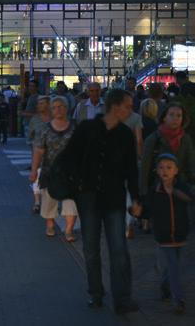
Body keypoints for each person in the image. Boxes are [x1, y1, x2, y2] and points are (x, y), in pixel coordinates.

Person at [63, 89, 141, 314]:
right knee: (91, 249)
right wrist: (78, 186)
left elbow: (130, 171)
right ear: (115, 106)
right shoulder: (88, 129)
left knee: (118, 249)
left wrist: (135, 197)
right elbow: (69, 158)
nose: (130, 110)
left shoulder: (125, 134)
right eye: (127, 105)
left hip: (114, 199)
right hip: (88, 199)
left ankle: (122, 298)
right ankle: (96, 293)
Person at [141, 153, 193, 315]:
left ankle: (165, 286)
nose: (165, 171)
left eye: (169, 168)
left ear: (176, 170)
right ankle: (179, 300)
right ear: (157, 171)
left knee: (173, 265)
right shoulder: (154, 191)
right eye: (161, 167)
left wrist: (180, 195)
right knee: (174, 266)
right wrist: (136, 211)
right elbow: (146, 210)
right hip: (163, 235)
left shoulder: (182, 187)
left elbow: (190, 199)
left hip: (180, 233)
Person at [30, 96, 78, 241]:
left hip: (71, 172)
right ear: (51, 110)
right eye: (55, 107)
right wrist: (34, 170)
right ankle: (50, 224)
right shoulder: (45, 129)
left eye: (61, 106)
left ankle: (69, 230)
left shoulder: (75, 126)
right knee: (49, 201)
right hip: (50, 171)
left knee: (71, 202)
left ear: (66, 108)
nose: (58, 109)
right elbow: (38, 150)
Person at [140, 102, 195, 210]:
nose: (175, 118)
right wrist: (143, 194)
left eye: (179, 115)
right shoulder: (153, 139)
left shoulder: (185, 139)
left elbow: (190, 164)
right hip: (158, 188)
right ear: (164, 117)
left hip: (180, 188)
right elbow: (145, 167)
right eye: (171, 115)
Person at [27, 96, 51, 214]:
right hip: (38, 153)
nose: (39, 106)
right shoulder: (35, 119)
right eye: (38, 104)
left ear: (48, 104)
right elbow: (30, 135)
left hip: (52, 154)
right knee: (36, 176)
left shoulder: (54, 117)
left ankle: (50, 201)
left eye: (41, 103)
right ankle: (37, 202)